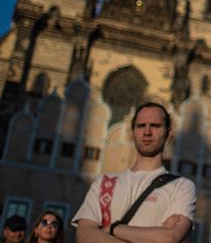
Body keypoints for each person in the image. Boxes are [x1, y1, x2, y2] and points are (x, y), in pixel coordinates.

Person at [72, 102, 196, 243]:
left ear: (168, 132)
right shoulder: (105, 182)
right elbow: (83, 235)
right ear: (132, 132)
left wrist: (112, 229)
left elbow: (169, 238)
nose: (147, 132)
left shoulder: (181, 186)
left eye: (155, 126)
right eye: (141, 126)